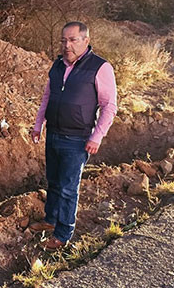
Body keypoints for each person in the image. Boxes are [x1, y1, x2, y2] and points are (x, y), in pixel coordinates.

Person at [30, 21, 117, 250]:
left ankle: (63, 234)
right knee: (54, 182)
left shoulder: (100, 67)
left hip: (77, 139)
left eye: (72, 40)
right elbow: (47, 97)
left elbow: (109, 106)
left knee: (69, 188)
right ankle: (50, 220)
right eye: (63, 40)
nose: (66, 45)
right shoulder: (58, 65)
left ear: (85, 41)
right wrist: (38, 125)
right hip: (54, 134)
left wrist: (97, 136)